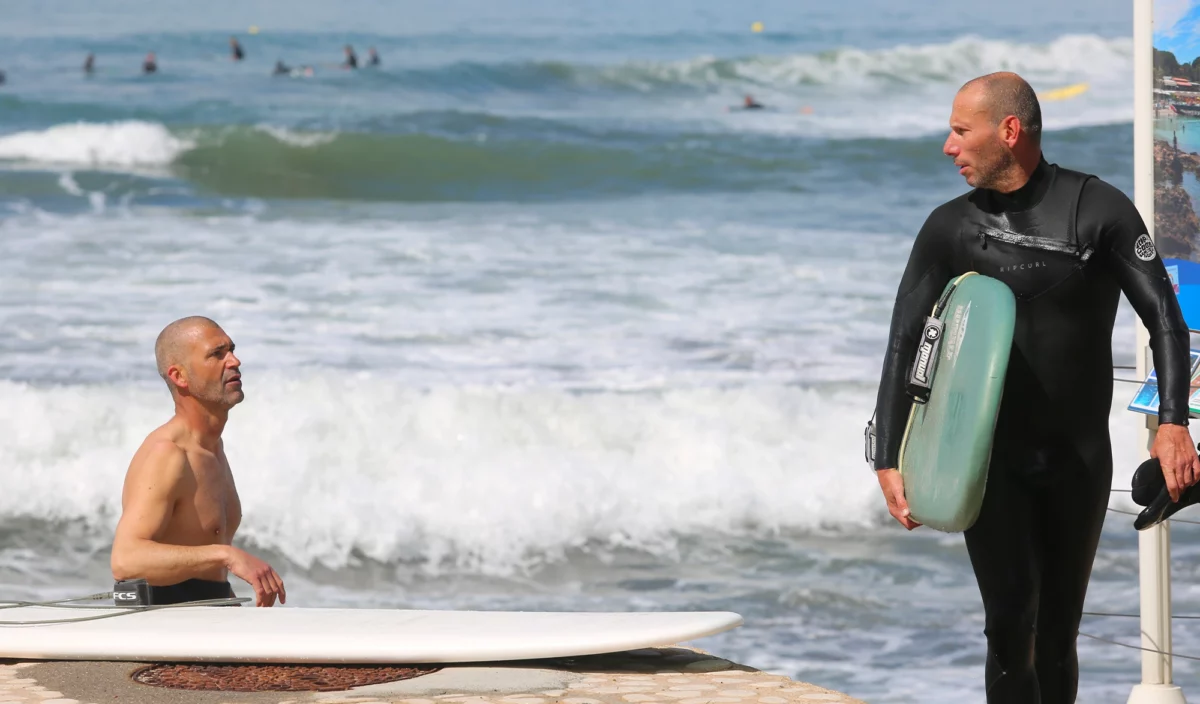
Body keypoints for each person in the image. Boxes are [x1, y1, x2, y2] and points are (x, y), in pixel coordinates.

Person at [871, 71, 1199, 703]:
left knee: (1057, 635)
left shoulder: (1097, 210)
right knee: (1008, 626)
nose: (949, 145)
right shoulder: (950, 228)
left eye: (962, 131)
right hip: (989, 464)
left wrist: (1173, 424)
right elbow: (904, 341)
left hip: (1076, 460)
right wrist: (889, 454)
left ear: (1010, 131)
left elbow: (1165, 319)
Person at [111, 317, 286, 607]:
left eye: (231, 350)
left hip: (202, 620)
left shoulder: (212, 447)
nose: (234, 361)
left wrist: (229, 602)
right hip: (158, 630)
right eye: (216, 354)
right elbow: (126, 560)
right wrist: (226, 555)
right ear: (180, 376)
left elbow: (198, 567)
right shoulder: (167, 454)